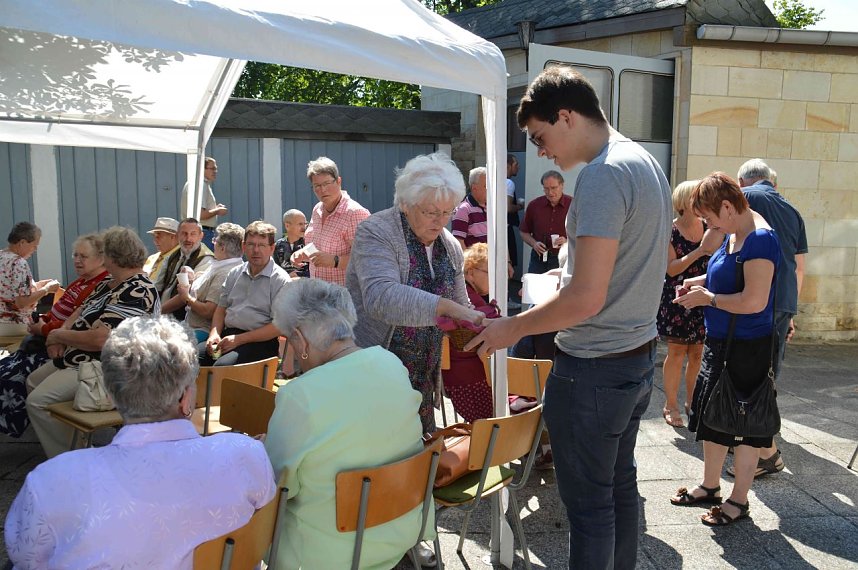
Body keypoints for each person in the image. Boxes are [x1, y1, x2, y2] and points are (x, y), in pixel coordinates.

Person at [466, 66, 672, 569]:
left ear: (566, 116)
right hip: (634, 358)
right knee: (619, 489)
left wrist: (509, 328)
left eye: (539, 137)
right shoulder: (642, 159)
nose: (540, 152)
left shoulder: (603, 174)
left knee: (590, 508)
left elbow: (584, 301)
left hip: (595, 369)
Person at [6, 315, 275, 568]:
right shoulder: (247, 455)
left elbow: (26, 557)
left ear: (111, 396)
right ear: (185, 397)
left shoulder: (51, 481)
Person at [265, 278, 428, 569]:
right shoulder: (390, 363)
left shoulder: (300, 395)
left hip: (328, 552)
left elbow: (276, 484)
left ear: (300, 340)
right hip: (399, 529)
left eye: (288, 340)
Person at [670, 172, 780, 526]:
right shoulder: (735, 232)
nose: (708, 225)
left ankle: (738, 500)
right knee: (712, 417)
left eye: (710, 217)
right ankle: (710, 486)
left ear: (729, 207)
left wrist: (709, 299)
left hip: (747, 347)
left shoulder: (760, 240)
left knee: (744, 427)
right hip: (722, 343)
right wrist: (697, 282)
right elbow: (729, 273)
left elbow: (753, 300)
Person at [347, 152, 484, 434]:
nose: (440, 221)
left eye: (447, 212)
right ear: (406, 204)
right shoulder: (376, 232)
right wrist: (446, 308)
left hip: (423, 372)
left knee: (417, 457)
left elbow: (461, 304)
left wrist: (481, 325)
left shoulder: (449, 245)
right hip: (376, 369)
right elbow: (380, 297)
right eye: (431, 212)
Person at [25, 226, 160, 459]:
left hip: (107, 367)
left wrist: (58, 335)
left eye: (105, 253)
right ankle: (74, 443)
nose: (102, 258)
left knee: (38, 402)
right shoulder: (110, 282)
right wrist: (57, 336)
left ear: (114, 257)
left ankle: (75, 461)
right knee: (32, 382)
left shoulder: (137, 289)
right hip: (79, 357)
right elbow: (78, 311)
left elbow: (101, 339)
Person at [735, 157, 807, 477]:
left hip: (759, 299)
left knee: (751, 371)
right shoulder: (793, 210)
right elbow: (799, 266)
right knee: (769, 370)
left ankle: (762, 445)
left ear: (743, 183)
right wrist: (790, 311)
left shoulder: (748, 198)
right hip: (783, 301)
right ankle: (763, 439)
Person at [0, 234, 109, 438]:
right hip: (46, 339)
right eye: (75, 255)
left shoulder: (100, 285)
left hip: (65, 349)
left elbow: (78, 324)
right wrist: (42, 320)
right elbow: (58, 312)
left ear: (101, 259)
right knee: (4, 370)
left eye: (83, 256)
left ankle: (28, 427)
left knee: (9, 377)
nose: (77, 260)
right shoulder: (81, 282)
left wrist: (44, 329)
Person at [657, 180, 723, 427]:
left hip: (704, 296)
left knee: (697, 353)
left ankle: (693, 403)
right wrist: (699, 252)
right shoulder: (670, 231)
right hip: (677, 298)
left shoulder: (711, 226)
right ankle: (670, 404)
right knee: (676, 352)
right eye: (696, 199)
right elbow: (671, 269)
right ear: (684, 202)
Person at [201, 221, 291, 366]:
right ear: (243, 246)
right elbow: (221, 309)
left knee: (222, 368)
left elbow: (278, 327)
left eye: (261, 245)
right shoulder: (234, 273)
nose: (256, 250)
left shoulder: (280, 280)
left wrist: (239, 339)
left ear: (272, 248)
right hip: (228, 336)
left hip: (260, 343)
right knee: (191, 359)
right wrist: (214, 334)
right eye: (251, 244)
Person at [441, 243, 499, 422]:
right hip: (467, 377)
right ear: (471, 273)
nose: (495, 278)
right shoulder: (467, 296)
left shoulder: (463, 292)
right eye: (490, 273)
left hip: (453, 374)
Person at [291, 157, 370, 285]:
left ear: (338, 181)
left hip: (344, 296)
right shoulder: (317, 209)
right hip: (318, 291)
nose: (322, 190)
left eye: (327, 184)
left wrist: (335, 261)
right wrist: (303, 253)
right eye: (317, 185)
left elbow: (368, 259)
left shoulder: (354, 213)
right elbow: (316, 245)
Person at [176, 222, 244, 343]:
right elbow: (206, 283)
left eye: (215, 241)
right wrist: (192, 277)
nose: (213, 243)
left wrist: (186, 297)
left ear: (222, 248)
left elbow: (209, 311)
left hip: (202, 330)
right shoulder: (220, 263)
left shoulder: (225, 272)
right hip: (190, 326)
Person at [0, 222, 59, 335]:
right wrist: (46, 289)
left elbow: (7, 289)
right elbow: (21, 303)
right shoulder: (18, 263)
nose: (35, 249)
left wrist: (35, 286)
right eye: (34, 246)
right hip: (14, 325)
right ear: (22, 242)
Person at [156, 217, 214, 320]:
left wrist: (156, 312)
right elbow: (158, 286)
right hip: (162, 314)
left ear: (201, 236)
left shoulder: (206, 259)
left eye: (193, 234)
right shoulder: (173, 255)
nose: (188, 239)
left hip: (182, 319)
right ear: (177, 235)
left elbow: (184, 297)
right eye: (184, 233)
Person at [519, 170, 572, 274]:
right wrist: (534, 244)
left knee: (559, 289)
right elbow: (523, 231)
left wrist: (567, 241)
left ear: (562, 185)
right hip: (538, 257)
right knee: (534, 288)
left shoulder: (573, 205)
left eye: (553, 188)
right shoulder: (534, 205)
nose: (550, 192)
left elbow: (583, 233)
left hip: (563, 258)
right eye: (546, 189)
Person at [180, 156, 228, 249]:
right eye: (212, 168)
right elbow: (200, 214)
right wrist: (218, 210)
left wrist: (215, 208)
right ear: (202, 169)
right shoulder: (200, 185)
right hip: (202, 233)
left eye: (216, 169)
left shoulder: (198, 183)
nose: (215, 171)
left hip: (198, 232)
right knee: (206, 262)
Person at [451, 166, 488, 250]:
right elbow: (458, 242)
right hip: (475, 262)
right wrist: (470, 262)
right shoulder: (463, 209)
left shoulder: (491, 208)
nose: (490, 189)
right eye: (486, 186)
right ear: (474, 188)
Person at [272, 208, 310, 278]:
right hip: (284, 285)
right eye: (300, 224)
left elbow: (317, 271)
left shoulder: (309, 244)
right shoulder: (278, 245)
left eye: (305, 224)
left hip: (307, 286)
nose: (304, 227)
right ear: (287, 226)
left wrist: (299, 275)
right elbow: (275, 269)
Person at [142, 216, 179, 281]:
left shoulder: (180, 258)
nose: (155, 240)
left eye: (159, 236)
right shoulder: (152, 258)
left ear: (172, 237)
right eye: (154, 236)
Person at [506, 154, 525, 271]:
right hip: (506, 228)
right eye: (516, 164)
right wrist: (520, 206)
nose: (518, 167)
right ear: (508, 166)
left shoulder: (495, 180)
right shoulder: (509, 183)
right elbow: (507, 208)